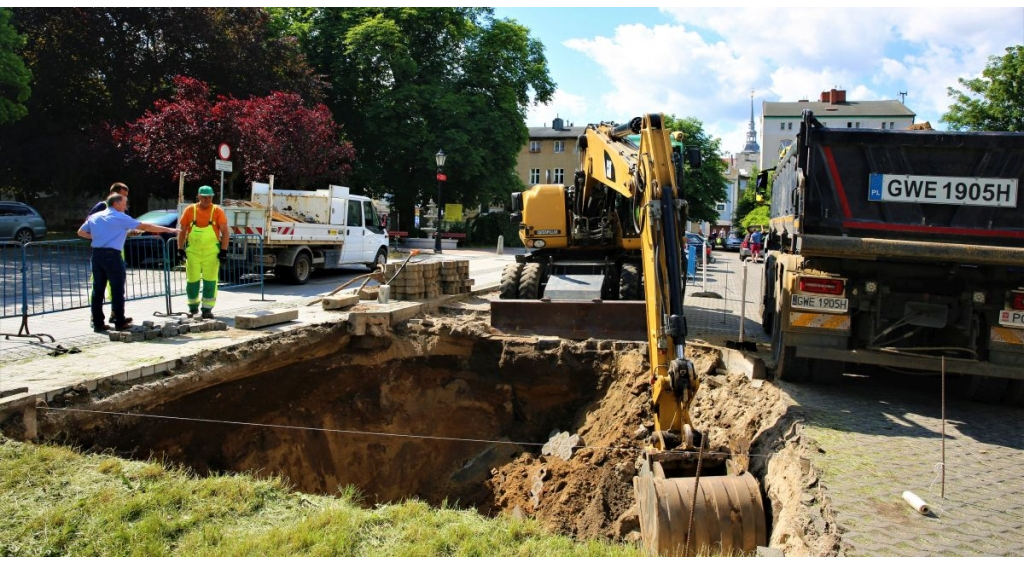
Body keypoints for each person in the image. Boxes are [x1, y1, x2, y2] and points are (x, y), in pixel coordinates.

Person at [78, 193, 179, 332]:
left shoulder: (95, 216)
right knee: (117, 289)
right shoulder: (119, 217)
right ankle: (119, 321)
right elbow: (146, 227)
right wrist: (170, 230)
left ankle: (97, 323)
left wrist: (98, 237)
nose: (126, 206)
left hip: (97, 255)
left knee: (98, 290)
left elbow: (81, 232)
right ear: (116, 204)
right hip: (112, 256)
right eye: (124, 203)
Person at [177, 185, 230, 319]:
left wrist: (223, 251)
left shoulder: (217, 211)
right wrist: (180, 249)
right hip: (193, 251)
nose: (207, 200)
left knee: (210, 281)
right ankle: (193, 308)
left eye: (209, 197)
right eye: (204, 197)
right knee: (192, 280)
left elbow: (225, 232)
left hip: (211, 252)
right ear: (198, 197)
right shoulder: (190, 210)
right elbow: (182, 231)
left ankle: (207, 309)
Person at [87, 182, 131, 325]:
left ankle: (114, 314)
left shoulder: (121, 210)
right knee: (100, 287)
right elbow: (89, 225)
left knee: (115, 287)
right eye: (123, 196)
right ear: (113, 195)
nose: (125, 200)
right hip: (105, 252)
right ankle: (99, 318)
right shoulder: (102, 207)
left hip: (116, 251)